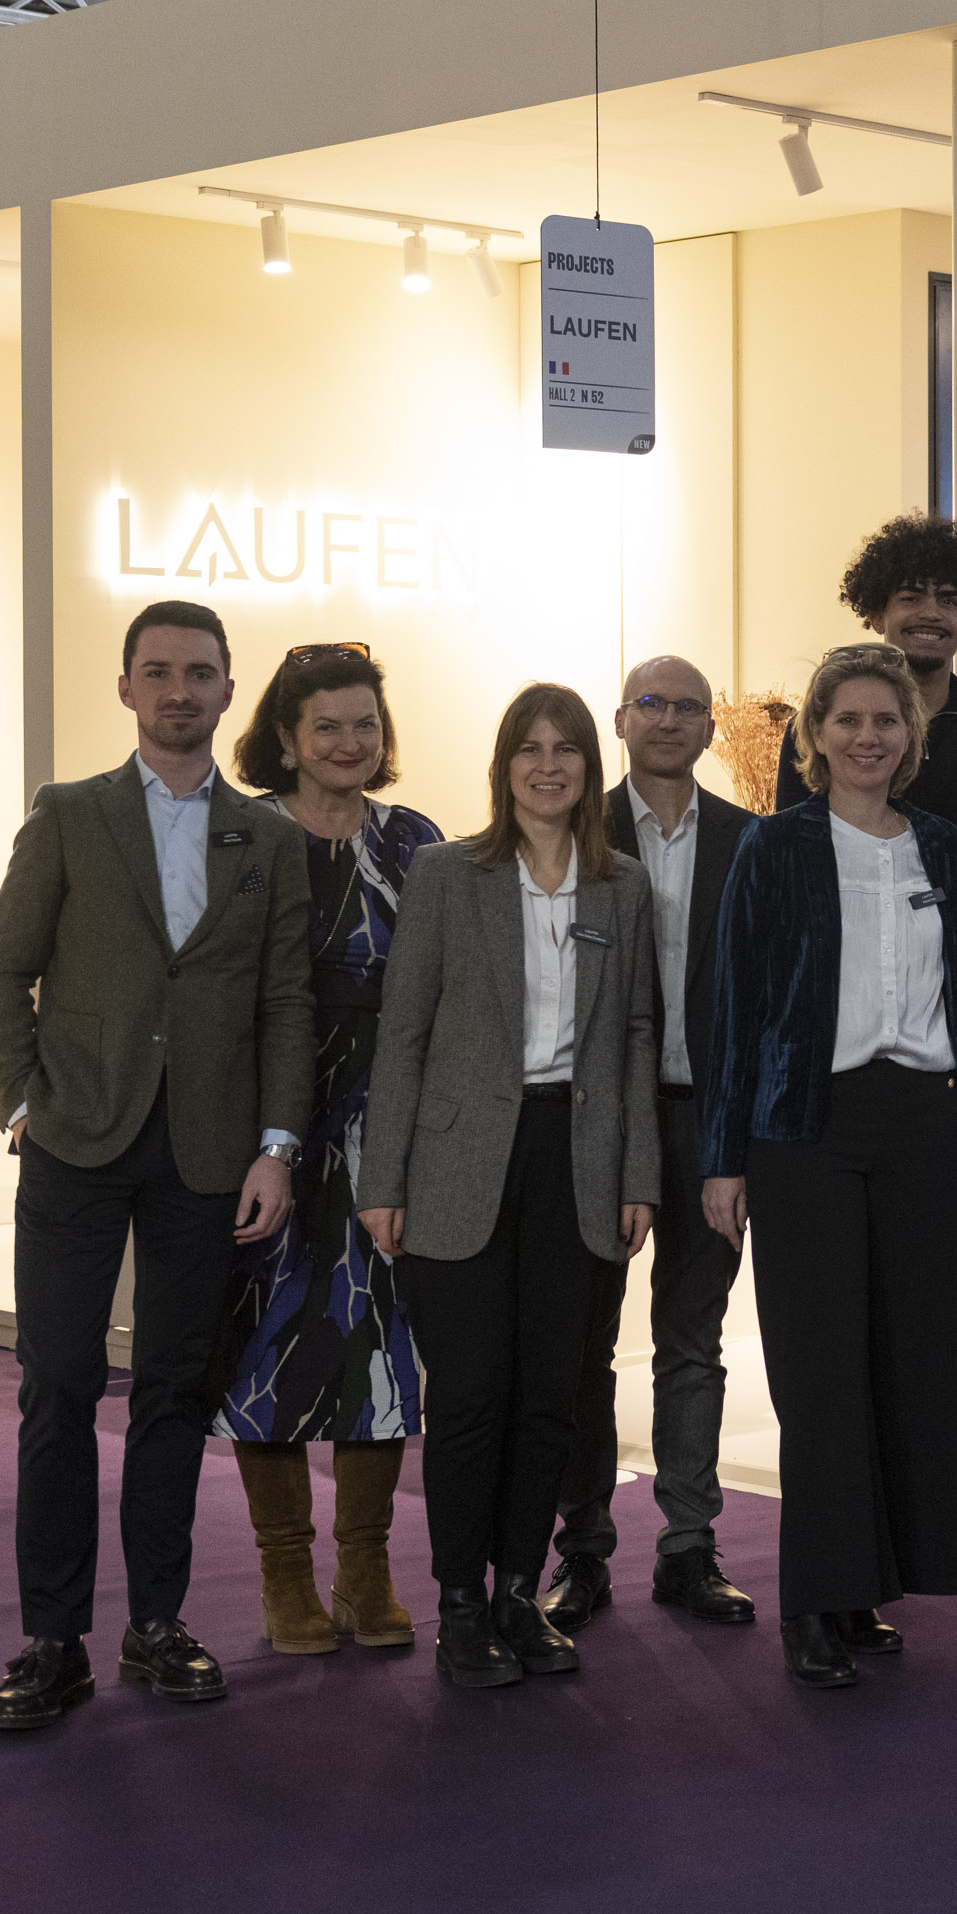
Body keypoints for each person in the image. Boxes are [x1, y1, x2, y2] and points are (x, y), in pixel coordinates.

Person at [0, 599, 314, 1730]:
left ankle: (156, 1624)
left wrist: (277, 1145)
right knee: (59, 1385)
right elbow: (0, 971)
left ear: (227, 692)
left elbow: (284, 1001)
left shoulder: (267, 838)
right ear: (125, 688)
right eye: (157, 671)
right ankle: (52, 1638)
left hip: (210, 1154)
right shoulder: (69, 815)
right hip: (75, 1141)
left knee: (174, 1391)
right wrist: (20, 1103)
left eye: (199, 673)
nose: (178, 690)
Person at [703, 643, 957, 1689]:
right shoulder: (774, 845)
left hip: (924, 1125)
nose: (869, 737)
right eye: (849, 720)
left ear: (911, 735)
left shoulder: (945, 847)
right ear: (816, 734)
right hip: (806, 1130)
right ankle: (813, 1605)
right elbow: (734, 1005)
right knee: (820, 1373)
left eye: (888, 720)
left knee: (910, 1366)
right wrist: (722, 1156)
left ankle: (868, 1585)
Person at [356, 684, 659, 1690]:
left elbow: (636, 1036)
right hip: (458, 1165)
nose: (548, 765)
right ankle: (459, 1603)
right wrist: (383, 1179)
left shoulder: (621, 886)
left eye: (565, 748)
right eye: (529, 748)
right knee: (472, 1393)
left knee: (551, 1396)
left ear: (589, 766)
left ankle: (519, 1593)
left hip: (578, 1161)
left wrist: (639, 1173)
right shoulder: (447, 873)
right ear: (504, 766)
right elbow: (403, 1033)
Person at [777, 515, 957, 1593]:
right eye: (911, 594)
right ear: (877, 608)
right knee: (845, 1328)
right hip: (844, 1079)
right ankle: (867, 1531)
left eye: (948, 596)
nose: (929, 612)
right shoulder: (826, 737)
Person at [210, 643, 440, 1658]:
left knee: (381, 1347)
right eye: (328, 726)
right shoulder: (246, 833)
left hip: (389, 1131)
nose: (350, 743)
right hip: (268, 1126)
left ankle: (365, 1568)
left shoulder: (416, 840)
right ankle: (284, 1572)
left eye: (365, 725)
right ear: (287, 737)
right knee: (267, 1343)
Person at [539, 656, 761, 1633]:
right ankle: (581, 1550)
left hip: (710, 1121)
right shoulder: (569, 833)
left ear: (711, 726)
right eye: (651, 703)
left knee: (692, 1338)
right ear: (621, 719)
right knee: (583, 1343)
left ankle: (688, 1547)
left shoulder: (752, 842)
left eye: (688, 706)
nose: (669, 719)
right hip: (597, 1119)